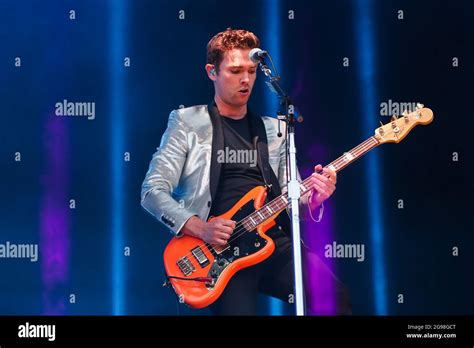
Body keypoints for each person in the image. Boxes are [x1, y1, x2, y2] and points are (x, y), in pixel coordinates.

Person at [141, 28, 351, 315]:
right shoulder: (187, 122)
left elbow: (294, 200)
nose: (245, 80)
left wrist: (313, 199)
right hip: (217, 249)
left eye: (251, 71)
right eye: (235, 71)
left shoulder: (275, 130)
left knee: (335, 299)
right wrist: (201, 228)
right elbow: (152, 191)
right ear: (211, 72)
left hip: (271, 240)